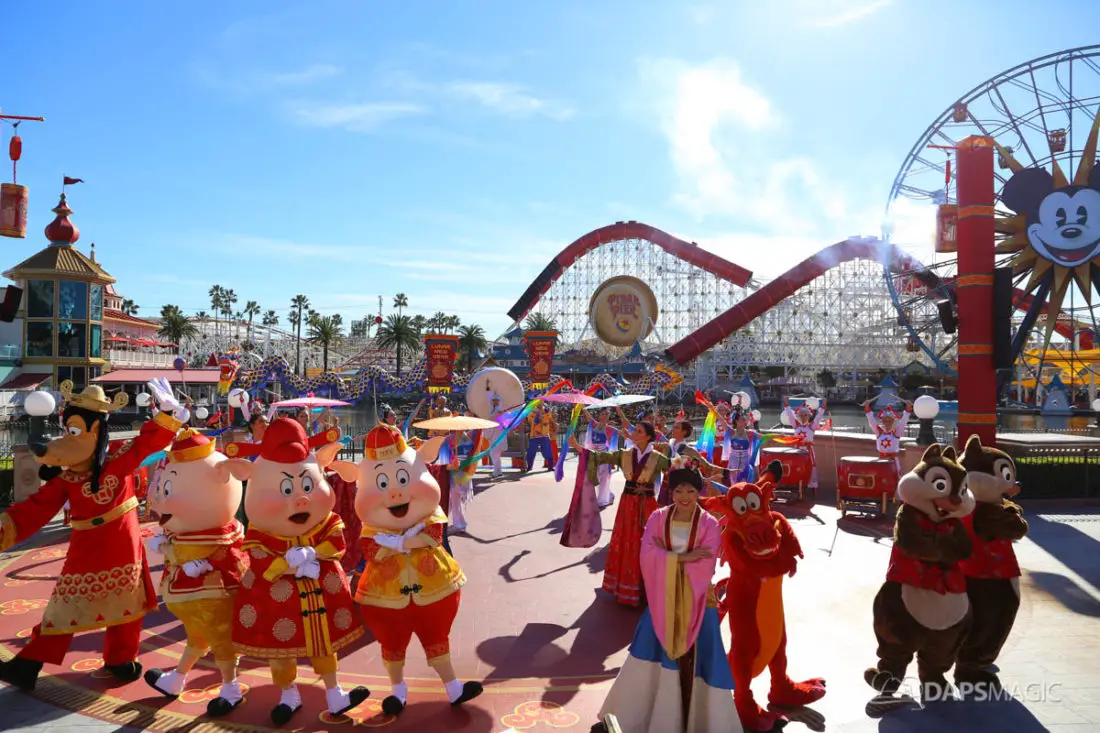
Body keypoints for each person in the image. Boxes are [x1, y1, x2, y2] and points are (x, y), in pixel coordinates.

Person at [593, 463, 739, 733]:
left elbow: (706, 563)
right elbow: (646, 554)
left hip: (698, 599)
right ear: (671, 492)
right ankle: (635, 716)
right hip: (664, 597)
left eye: (691, 491)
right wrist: (684, 558)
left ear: (699, 492)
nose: (685, 497)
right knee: (649, 645)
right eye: (679, 490)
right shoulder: (658, 518)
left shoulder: (708, 523)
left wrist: (667, 556)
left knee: (704, 653)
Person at [570, 422, 670, 607]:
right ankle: (626, 587)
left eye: (639, 431)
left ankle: (649, 588)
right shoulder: (625, 454)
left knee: (648, 544)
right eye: (635, 430)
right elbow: (601, 456)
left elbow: (676, 472)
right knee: (627, 541)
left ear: (648, 437)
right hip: (628, 505)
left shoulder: (658, 458)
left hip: (648, 506)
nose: (635, 433)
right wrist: (577, 447)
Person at [781, 397, 827, 490]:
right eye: (801, 415)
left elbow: (819, 416)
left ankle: (810, 485)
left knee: (810, 468)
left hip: (808, 451)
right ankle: (796, 485)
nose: (803, 416)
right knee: (796, 467)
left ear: (809, 416)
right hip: (797, 450)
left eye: (805, 415)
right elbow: (790, 414)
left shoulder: (812, 426)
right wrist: (786, 403)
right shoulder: (796, 425)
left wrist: (823, 405)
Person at [864, 399, 912, 474]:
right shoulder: (879, 432)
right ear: (882, 422)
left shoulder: (896, 433)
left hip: (893, 462)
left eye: (890, 421)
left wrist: (907, 410)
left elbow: (903, 422)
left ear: (893, 422)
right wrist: (867, 409)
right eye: (885, 421)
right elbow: (872, 421)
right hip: (881, 461)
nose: (887, 423)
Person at [658, 421, 694, 506]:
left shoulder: (687, 449)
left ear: (684, 432)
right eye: (673, 427)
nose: (673, 429)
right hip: (666, 480)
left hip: (678, 482)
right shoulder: (669, 444)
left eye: (676, 427)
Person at [525, 403, 557, 472]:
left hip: (544, 434)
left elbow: (549, 416)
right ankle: (529, 467)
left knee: (547, 451)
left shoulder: (546, 408)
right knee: (531, 451)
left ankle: (550, 466)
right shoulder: (532, 409)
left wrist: (543, 413)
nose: (540, 402)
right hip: (534, 435)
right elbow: (530, 420)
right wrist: (536, 414)